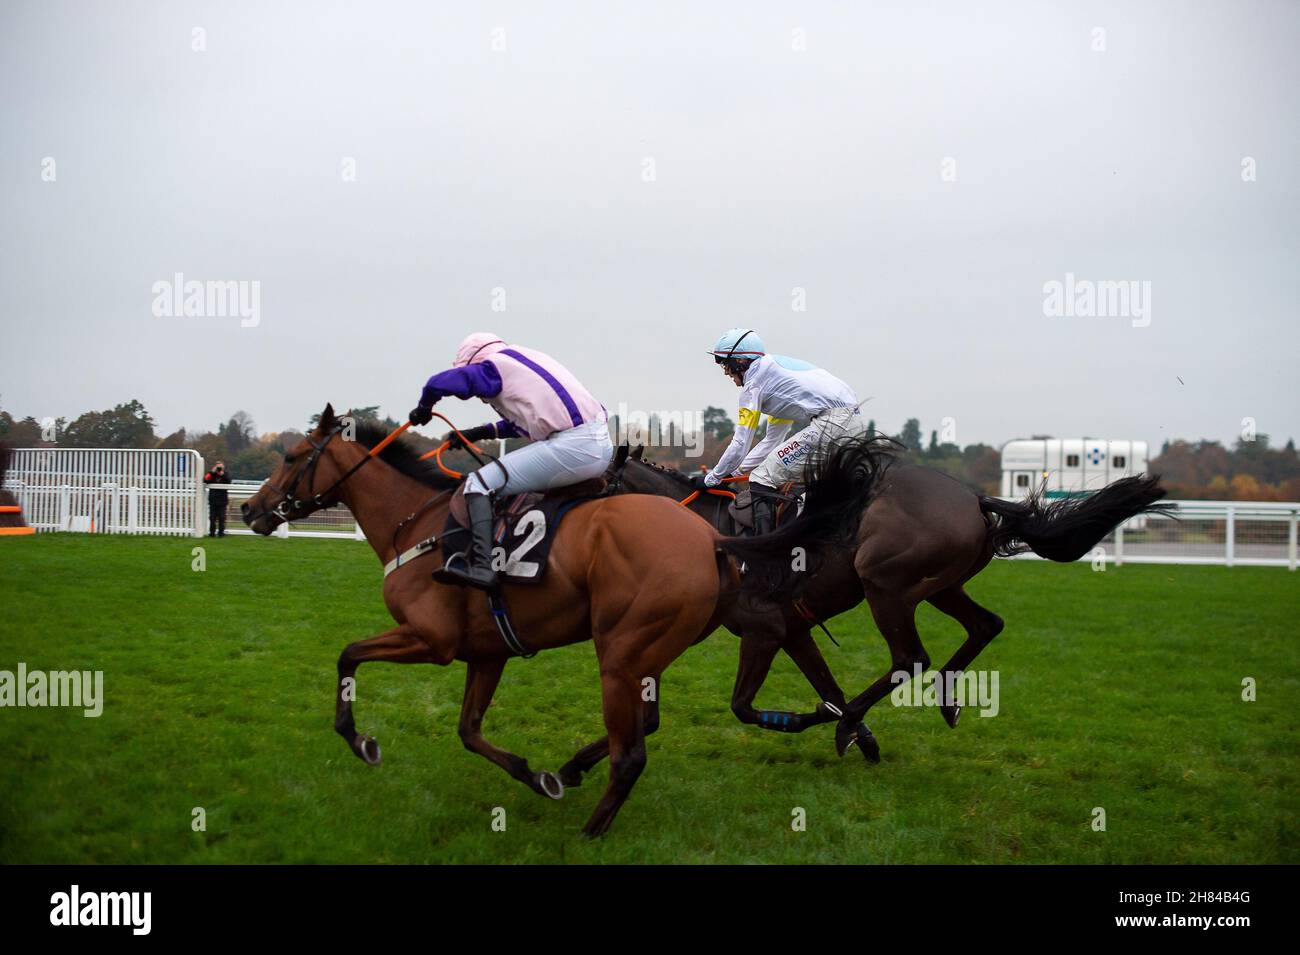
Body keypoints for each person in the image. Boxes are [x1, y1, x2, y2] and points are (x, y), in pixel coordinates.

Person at [409, 332, 612, 590]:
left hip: (573, 447)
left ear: (476, 361)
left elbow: (438, 383)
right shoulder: (524, 360)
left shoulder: (492, 367)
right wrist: (478, 433)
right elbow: (524, 422)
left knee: (478, 484)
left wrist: (424, 406)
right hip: (598, 445)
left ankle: (483, 568)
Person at [698, 328, 864, 534]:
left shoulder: (754, 385)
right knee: (792, 481)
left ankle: (764, 551)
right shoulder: (776, 381)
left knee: (761, 479)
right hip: (852, 421)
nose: (725, 371)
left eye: (725, 364)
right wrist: (734, 472)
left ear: (740, 361)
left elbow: (740, 443)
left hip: (834, 422)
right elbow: (772, 442)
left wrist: (711, 478)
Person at [204, 461, 230, 537]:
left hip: (222, 500)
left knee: (222, 518)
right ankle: (212, 533)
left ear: (223, 467)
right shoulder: (212, 474)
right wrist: (212, 472)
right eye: (217, 466)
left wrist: (222, 474)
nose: (218, 468)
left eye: (220, 466)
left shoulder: (226, 474)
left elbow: (228, 481)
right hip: (213, 500)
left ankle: (221, 533)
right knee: (212, 518)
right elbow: (205, 480)